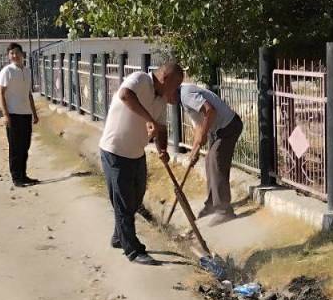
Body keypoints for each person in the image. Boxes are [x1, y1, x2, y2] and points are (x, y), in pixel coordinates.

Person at [99, 60, 184, 265]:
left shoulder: (161, 101)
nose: (176, 91)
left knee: (136, 199)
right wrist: (149, 119)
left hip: (136, 153)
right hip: (115, 151)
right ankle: (133, 250)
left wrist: (162, 150)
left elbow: (161, 129)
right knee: (123, 201)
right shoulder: (140, 79)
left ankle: (119, 237)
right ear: (165, 78)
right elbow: (125, 95)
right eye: (175, 85)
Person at [180, 81, 243, 223]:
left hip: (229, 126)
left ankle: (224, 211)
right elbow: (198, 126)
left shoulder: (186, 94)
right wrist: (194, 151)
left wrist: (203, 135)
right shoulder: (184, 99)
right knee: (209, 161)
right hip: (219, 130)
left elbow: (210, 111)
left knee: (215, 159)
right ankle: (211, 205)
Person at [0, 43, 39, 187]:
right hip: (13, 114)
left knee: (25, 146)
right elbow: (1, 93)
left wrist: (34, 113)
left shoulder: (27, 71)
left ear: (22, 54)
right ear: (8, 56)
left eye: (17, 52)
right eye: (11, 53)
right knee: (15, 147)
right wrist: (5, 115)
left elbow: (28, 94)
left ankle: (23, 175)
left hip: (25, 113)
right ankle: (16, 177)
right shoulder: (7, 71)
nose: (14, 56)